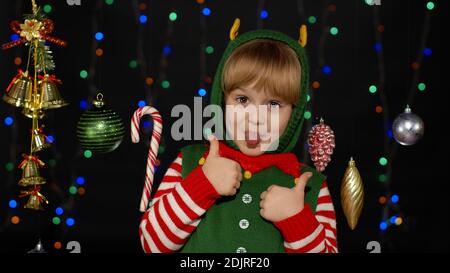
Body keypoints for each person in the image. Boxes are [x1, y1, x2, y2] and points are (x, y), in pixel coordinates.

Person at [139, 22, 338, 253]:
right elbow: (151, 245)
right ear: (222, 101)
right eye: (242, 100)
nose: (255, 118)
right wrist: (201, 185)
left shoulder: (311, 186)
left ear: (294, 113)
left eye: (273, 104)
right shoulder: (190, 162)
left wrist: (296, 220)